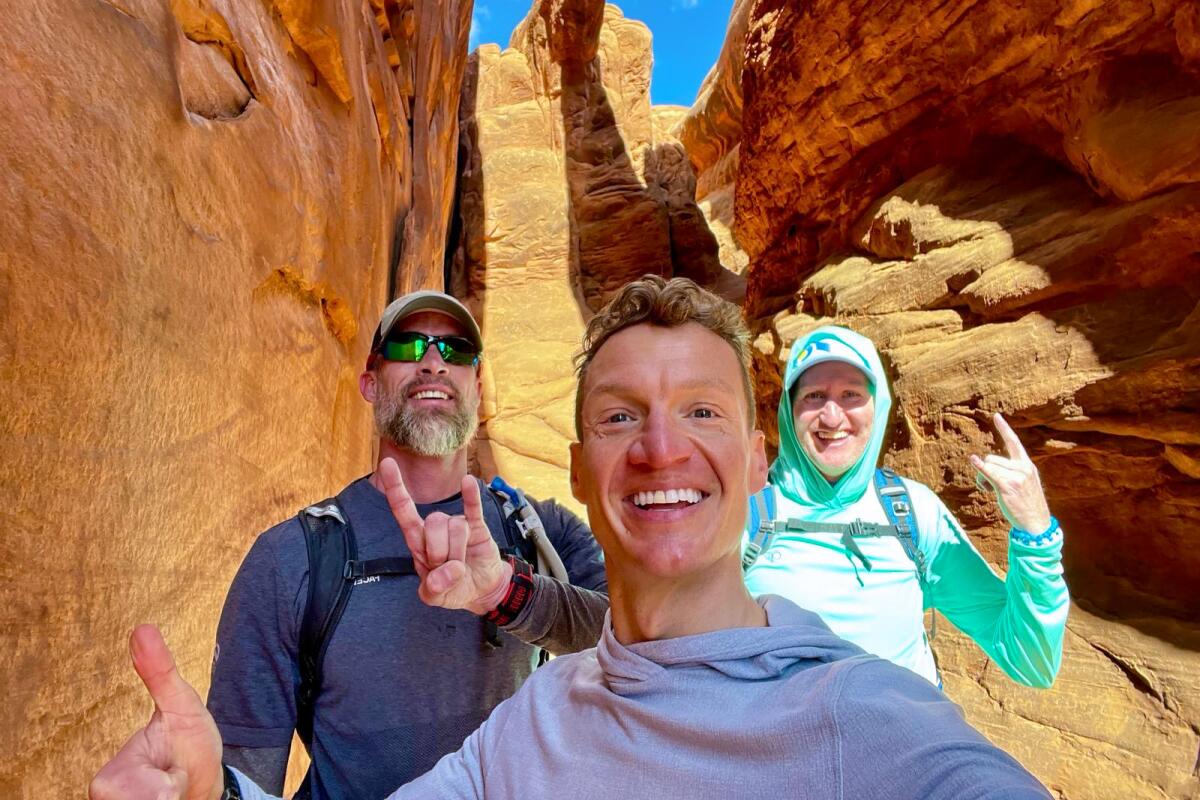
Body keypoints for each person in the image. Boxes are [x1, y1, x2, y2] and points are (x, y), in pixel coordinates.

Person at [91, 275, 1052, 800]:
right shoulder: (517, 731)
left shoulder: (868, 720)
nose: (665, 445)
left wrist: (506, 593)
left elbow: (633, 633)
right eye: (625, 417)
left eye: (457, 348)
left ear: (760, 465)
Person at [205, 290, 608, 799]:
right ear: (370, 383)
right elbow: (243, 772)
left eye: (456, 350)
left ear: (478, 387)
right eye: (407, 348)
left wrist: (509, 594)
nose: (434, 362)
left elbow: (639, 644)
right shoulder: (292, 558)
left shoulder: (541, 532)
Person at [742, 325, 1069, 688]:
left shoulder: (912, 512)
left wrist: (1036, 532)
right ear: (790, 411)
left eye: (851, 394)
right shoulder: (744, 516)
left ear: (878, 407)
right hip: (794, 742)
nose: (832, 417)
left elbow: (1028, 662)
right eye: (814, 396)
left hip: (909, 740)